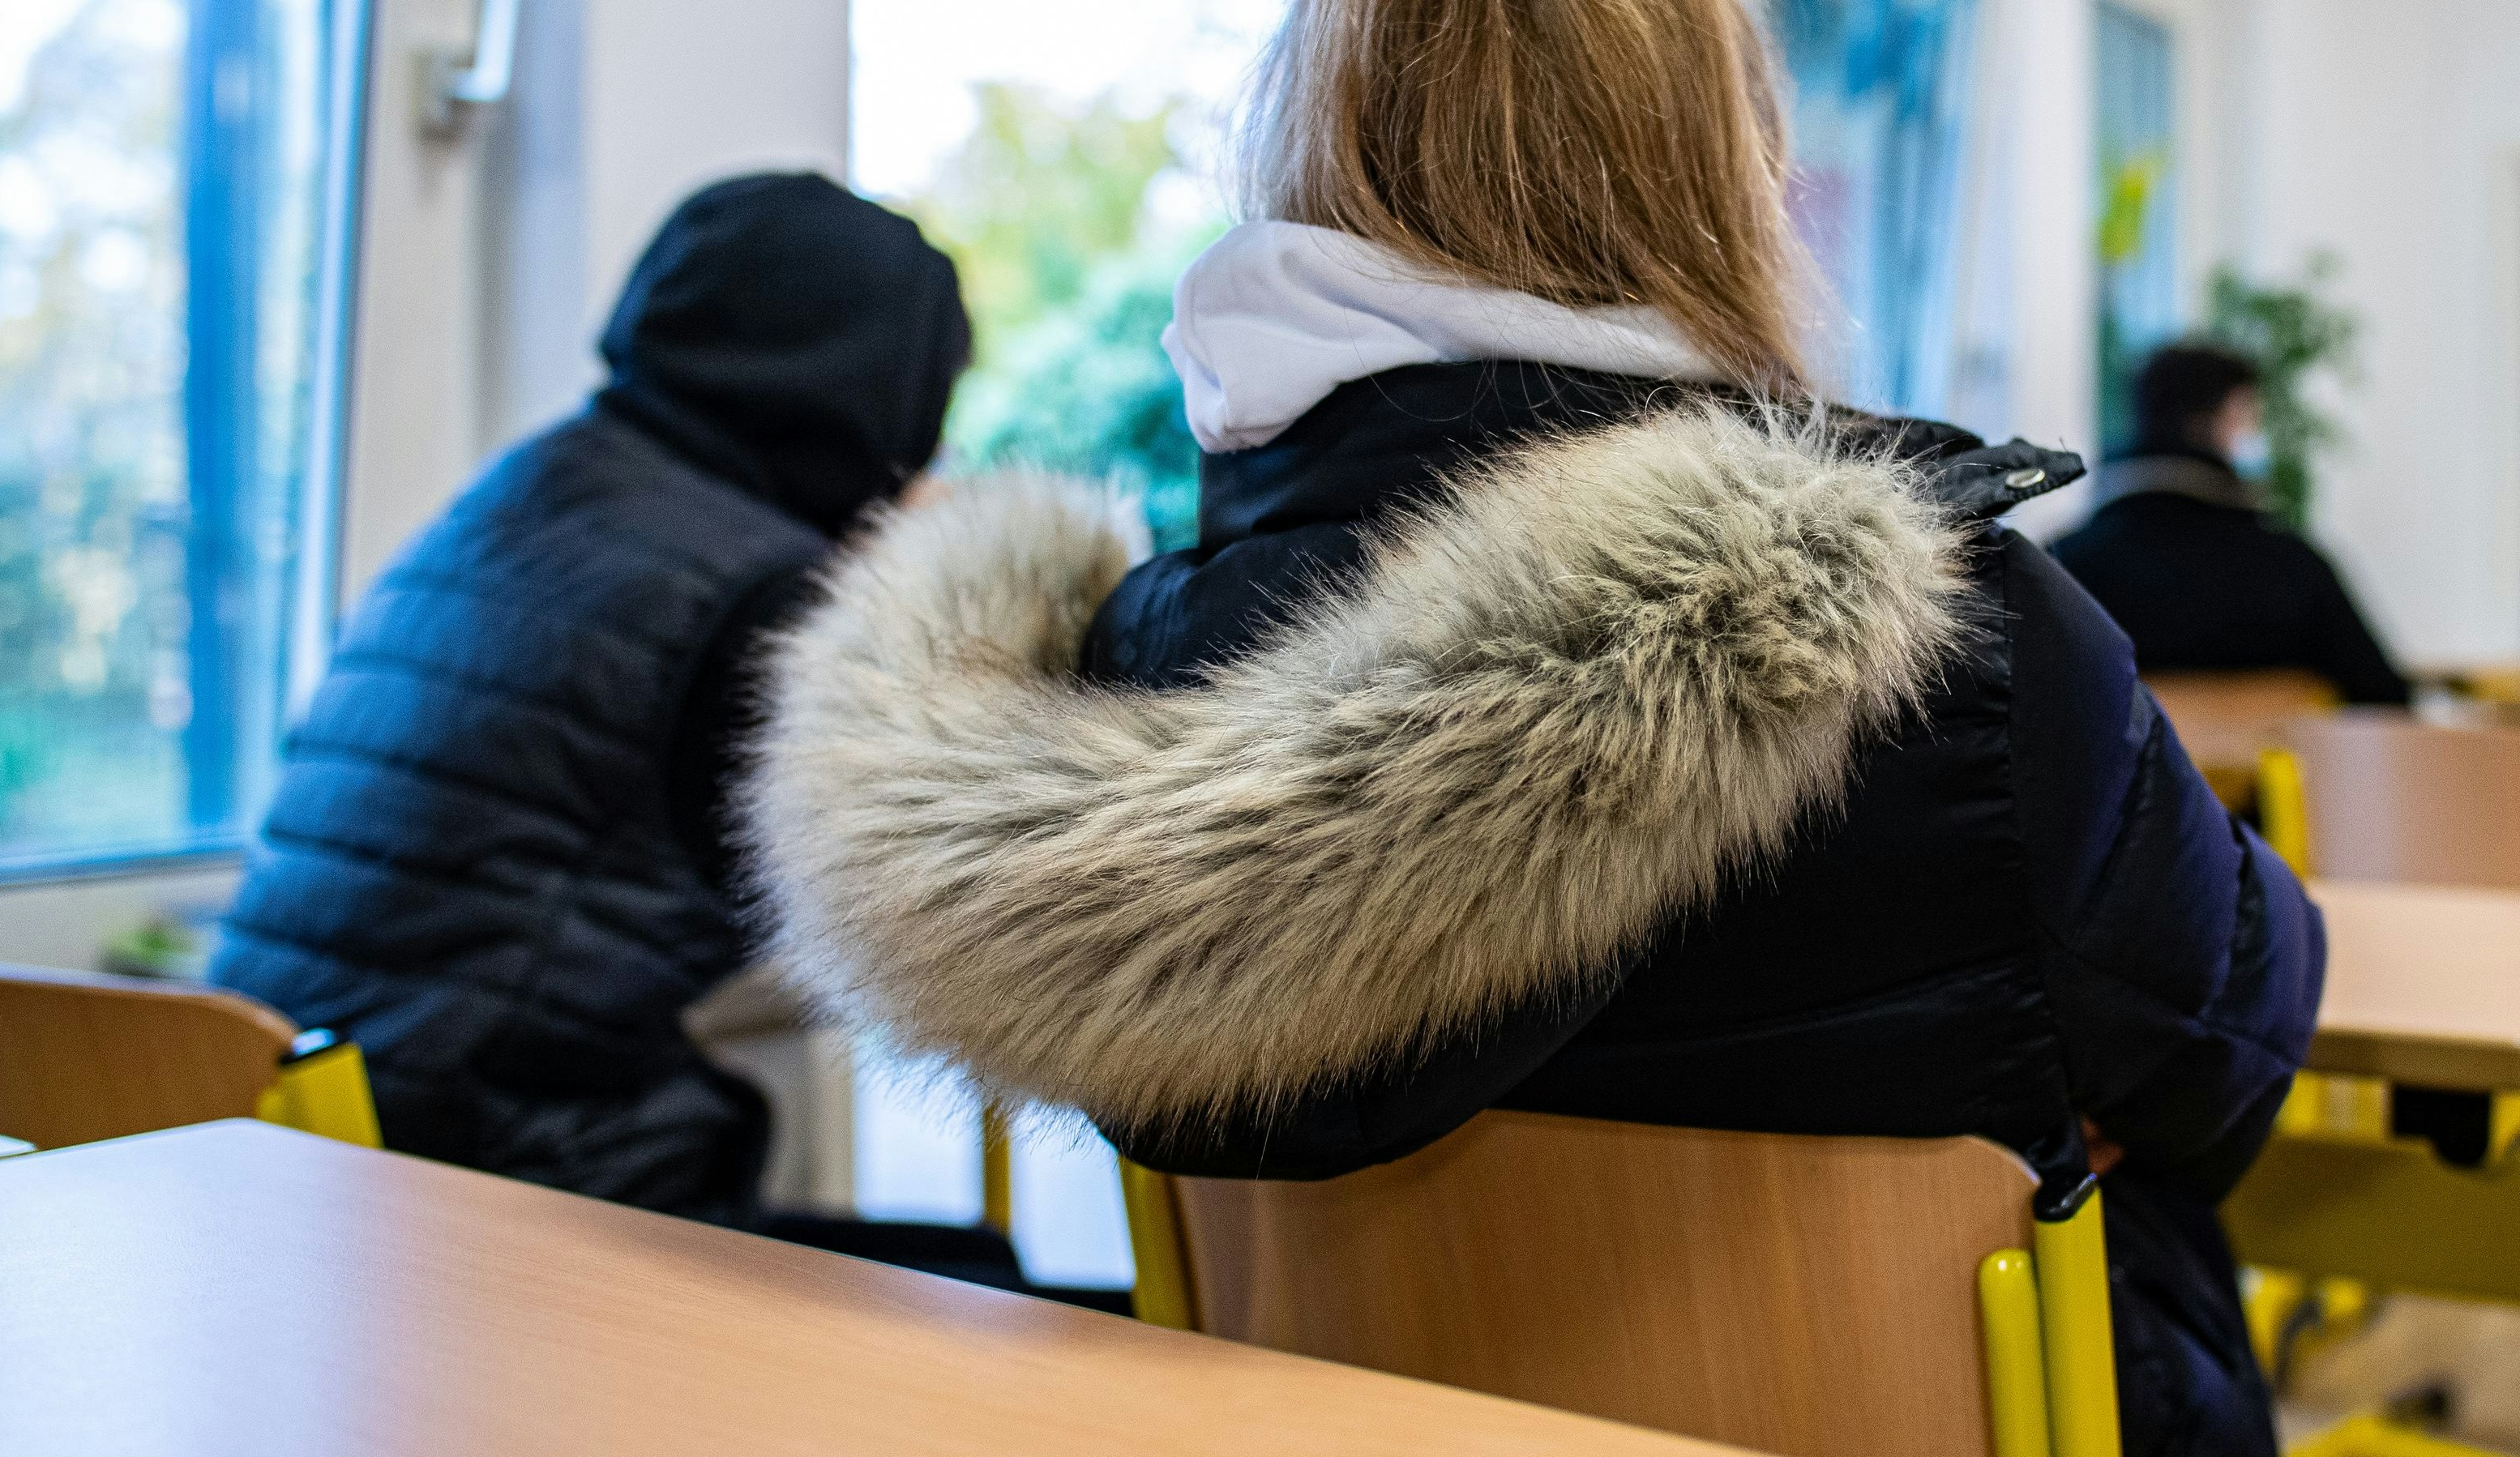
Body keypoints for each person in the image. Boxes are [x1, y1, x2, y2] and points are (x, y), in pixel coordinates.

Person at [738, 3, 2320, 1452]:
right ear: (1719, 174)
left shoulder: (1136, 662)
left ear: (1312, 171)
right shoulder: (1962, 635)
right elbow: (2232, 1052)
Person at [210, 174, 973, 1226]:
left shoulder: (522, 494)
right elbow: (926, 910)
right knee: (1024, 1299)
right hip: (477, 1204)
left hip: (288, 1153)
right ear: (879, 394)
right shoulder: (755, 597)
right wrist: (932, 571)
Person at [2054, 342, 2411, 703]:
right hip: (2274, 742)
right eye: (2248, 420)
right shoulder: (2292, 568)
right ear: (2224, 418)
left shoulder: (2061, 570)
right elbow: (2385, 701)